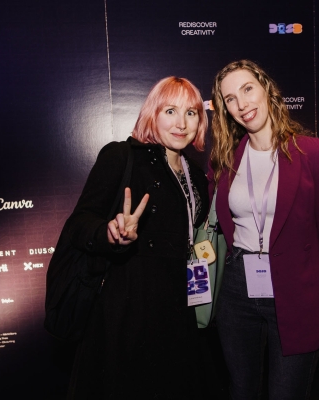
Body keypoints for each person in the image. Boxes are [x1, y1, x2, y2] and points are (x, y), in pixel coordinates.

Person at [209, 60, 319, 399]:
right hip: (237, 289)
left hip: (298, 289)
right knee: (241, 391)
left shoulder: (313, 153)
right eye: (230, 99)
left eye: (247, 89)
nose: (241, 105)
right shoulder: (226, 161)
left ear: (266, 89)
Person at [66, 77, 211, 399]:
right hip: (129, 305)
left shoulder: (197, 174)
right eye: (170, 111)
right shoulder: (121, 156)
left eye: (191, 113)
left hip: (180, 305)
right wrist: (110, 232)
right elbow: (79, 223)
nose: (181, 123)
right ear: (153, 114)